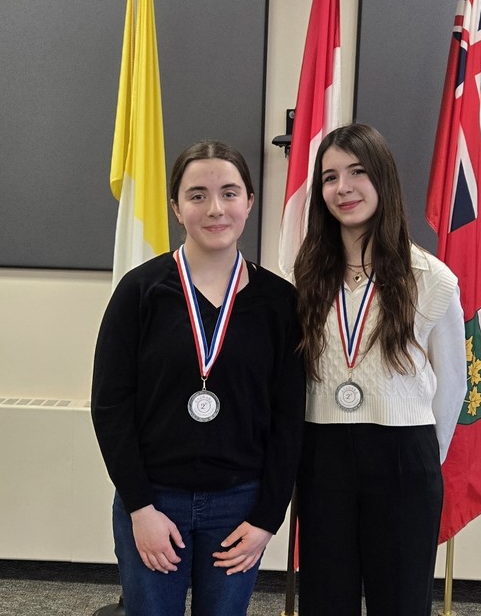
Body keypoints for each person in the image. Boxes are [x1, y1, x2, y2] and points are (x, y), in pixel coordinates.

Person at [91, 140, 305, 616]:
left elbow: (290, 419)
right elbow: (110, 406)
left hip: (239, 507)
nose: (215, 209)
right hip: (153, 502)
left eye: (230, 193)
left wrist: (268, 518)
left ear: (249, 202)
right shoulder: (139, 292)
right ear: (176, 207)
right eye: (197, 195)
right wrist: (139, 508)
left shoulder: (279, 303)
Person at [294, 123, 467, 616]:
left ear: (383, 180)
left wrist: (418, 461)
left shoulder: (431, 279)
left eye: (357, 172)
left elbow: (452, 386)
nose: (342, 188)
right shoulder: (305, 274)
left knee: (401, 601)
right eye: (329, 177)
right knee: (326, 599)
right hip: (323, 453)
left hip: (402, 456)